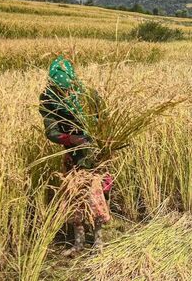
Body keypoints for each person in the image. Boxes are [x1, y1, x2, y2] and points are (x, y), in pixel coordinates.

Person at [39, 56, 112, 255]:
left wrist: (100, 139)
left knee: (96, 196)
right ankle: (78, 242)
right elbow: (51, 131)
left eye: (67, 88)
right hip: (72, 154)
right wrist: (71, 139)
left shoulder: (88, 95)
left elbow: (105, 119)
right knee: (74, 195)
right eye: (60, 89)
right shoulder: (48, 100)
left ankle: (98, 241)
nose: (64, 92)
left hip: (94, 153)